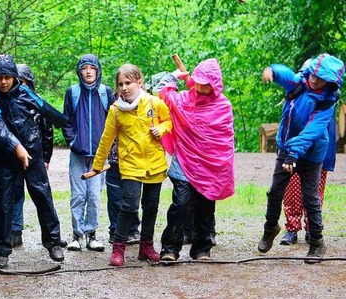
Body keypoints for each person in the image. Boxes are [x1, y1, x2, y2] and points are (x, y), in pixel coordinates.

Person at [0, 54, 67, 269]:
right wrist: (16, 147)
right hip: (5, 158)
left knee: (43, 196)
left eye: (7, 77)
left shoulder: (24, 91)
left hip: (33, 154)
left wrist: (67, 122)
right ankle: (1, 250)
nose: (3, 82)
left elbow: (44, 107)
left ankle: (53, 242)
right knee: (3, 202)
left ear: (14, 77)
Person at [258, 53, 344, 263]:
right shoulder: (299, 84)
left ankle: (316, 242)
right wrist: (273, 71)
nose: (315, 79)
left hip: (311, 155)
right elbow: (287, 75)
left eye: (320, 77)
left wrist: (294, 154)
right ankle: (271, 228)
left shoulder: (327, 102)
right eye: (313, 74)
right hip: (287, 148)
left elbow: (311, 132)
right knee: (275, 192)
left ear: (330, 81)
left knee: (310, 198)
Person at [89, 64, 172, 266]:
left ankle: (146, 247)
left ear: (139, 83)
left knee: (151, 206)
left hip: (155, 163)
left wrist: (161, 129)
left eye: (129, 83)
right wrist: (97, 166)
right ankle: (118, 248)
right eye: (120, 84)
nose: (124, 87)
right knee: (129, 206)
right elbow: (106, 139)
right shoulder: (116, 110)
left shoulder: (155, 103)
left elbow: (169, 121)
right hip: (130, 165)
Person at [155, 58, 235, 262]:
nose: (200, 86)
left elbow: (224, 141)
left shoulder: (223, 106)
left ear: (215, 84)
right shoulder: (182, 99)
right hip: (183, 162)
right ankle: (170, 249)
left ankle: (201, 249)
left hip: (210, 167)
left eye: (206, 83)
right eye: (198, 81)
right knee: (180, 205)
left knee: (205, 207)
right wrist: (174, 76)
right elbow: (162, 92)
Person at [280, 62, 338, 246]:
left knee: (314, 193)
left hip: (317, 153)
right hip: (295, 149)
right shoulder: (298, 90)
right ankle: (291, 228)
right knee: (291, 190)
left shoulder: (327, 97)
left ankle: (312, 229)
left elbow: (322, 130)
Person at [62, 54, 115, 252]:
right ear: (79, 72)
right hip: (78, 154)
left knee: (94, 195)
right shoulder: (73, 93)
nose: (88, 71)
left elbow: (114, 119)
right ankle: (77, 235)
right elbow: (66, 121)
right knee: (78, 195)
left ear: (98, 70)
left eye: (92, 67)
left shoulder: (105, 92)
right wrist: (72, 142)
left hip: (99, 156)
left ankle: (92, 234)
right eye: (84, 68)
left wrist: (110, 146)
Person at [10, 63, 55, 248]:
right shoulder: (6, 103)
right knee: (15, 194)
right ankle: (14, 231)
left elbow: (47, 131)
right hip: (13, 156)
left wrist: (46, 158)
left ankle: (52, 235)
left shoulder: (38, 102)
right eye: (18, 82)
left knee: (43, 195)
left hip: (35, 156)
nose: (21, 86)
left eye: (24, 82)